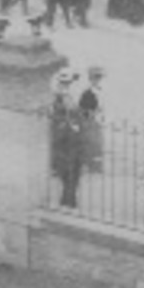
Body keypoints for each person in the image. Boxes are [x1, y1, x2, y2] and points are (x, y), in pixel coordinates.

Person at [50, 74, 86, 208]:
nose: (66, 86)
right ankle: (68, 200)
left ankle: (69, 199)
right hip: (64, 142)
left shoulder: (69, 98)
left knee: (74, 171)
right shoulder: (58, 100)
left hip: (74, 140)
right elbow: (57, 121)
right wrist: (69, 125)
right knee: (68, 172)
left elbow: (76, 114)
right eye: (64, 84)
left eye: (68, 84)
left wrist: (76, 125)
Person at [77, 67, 106, 172]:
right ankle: (91, 166)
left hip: (99, 122)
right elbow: (82, 110)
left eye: (99, 77)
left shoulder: (101, 92)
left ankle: (97, 166)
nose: (97, 80)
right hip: (90, 123)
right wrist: (90, 114)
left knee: (98, 144)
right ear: (90, 79)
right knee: (91, 144)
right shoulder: (87, 94)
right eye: (95, 77)